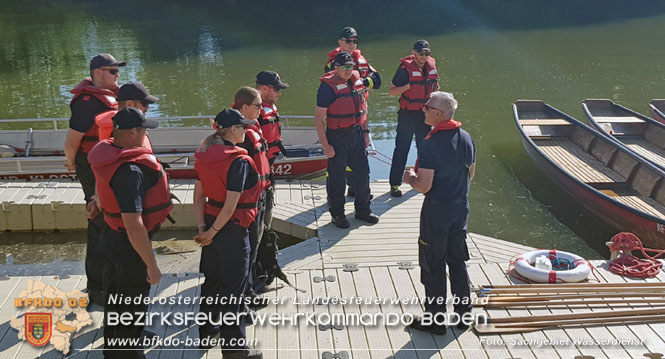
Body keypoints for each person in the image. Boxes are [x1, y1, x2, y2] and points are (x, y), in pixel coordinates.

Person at [88, 107, 172, 358]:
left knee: (116, 299)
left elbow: (104, 191)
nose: (146, 134)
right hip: (127, 245)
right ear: (134, 132)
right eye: (144, 129)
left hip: (111, 238)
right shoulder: (130, 171)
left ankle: (112, 352)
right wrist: (152, 265)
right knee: (132, 307)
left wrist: (96, 203)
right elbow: (134, 223)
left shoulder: (109, 154)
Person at [403, 92, 475, 335]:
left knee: (433, 265)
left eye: (427, 106)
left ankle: (435, 321)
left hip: (437, 212)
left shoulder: (431, 143)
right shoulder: (466, 137)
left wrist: (410, 178)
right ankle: (464, 316)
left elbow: (424, 186)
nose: (423, 109)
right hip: (460, 209)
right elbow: (471, 174)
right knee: (457, 261)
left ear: (439, 113)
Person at [193, 109, 263, 358]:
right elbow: (231, 205)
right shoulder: (239, 161)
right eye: (243, 127)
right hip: (232, 228)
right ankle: (235, 351)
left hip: (211, 222)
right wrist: (212, 231)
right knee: (234, 290)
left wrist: (203, 228)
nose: (246, 131)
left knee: (212, 281)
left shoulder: (203, 155)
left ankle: (208, 331)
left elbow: (199, 196)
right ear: (233, 130)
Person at [65, 53, 126, 306]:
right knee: (99, 222)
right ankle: (98, 288)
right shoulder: (88, 101)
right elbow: (72, 139)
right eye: (113, 71)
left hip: (106, 165)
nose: (117, 75)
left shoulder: (109, 97)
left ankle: (104, 281)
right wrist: (70, 163)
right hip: (91, 166)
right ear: (98, 73)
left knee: (107, 221)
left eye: (117, 71)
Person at [315, 52, 378, 229]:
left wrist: (365, 134)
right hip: (337, 136)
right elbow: (319, 118)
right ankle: (337, 214)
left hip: (356, 134)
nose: (348, 71)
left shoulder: (357, 82)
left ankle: (363, 210)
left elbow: (363, 110)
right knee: (337, 178)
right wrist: (326, 146)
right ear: (336, 68)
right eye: (344, 67)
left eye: (351, 67)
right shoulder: (327, 88)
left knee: (363, 173)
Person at [324, 26, 382, 197]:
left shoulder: (360, 59)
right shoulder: (333, 62)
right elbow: (335, 81)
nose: (351, 44)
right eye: (348, 41)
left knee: (359, 159)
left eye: (354, 41)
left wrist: (361, 82)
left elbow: (377, 81)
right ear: (340, 42)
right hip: (340, 118)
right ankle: (334, 198)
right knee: (337, 164)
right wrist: (363, 81)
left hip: (360, 112)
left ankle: (357, 190)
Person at [231, 87, 272, 307]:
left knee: (253, 247)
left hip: (260, 195)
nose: (261, 109)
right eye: (257, 105)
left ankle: (249, 288)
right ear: (244, 107)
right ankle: (245, 297)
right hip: (249, 201)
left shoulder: (251, 127)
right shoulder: (239, 134)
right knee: (247, 249)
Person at [388, 40, 439, 197]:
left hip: (424, 114)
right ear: (414, 53)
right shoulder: (404, 70)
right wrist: (408, 86)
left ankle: (423, 180)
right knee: (402, 148)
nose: (424, 57)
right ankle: (395, 184)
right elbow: (391, 91)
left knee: (424, 149)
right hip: (407, 115)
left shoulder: (431, 67)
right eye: (421, 53)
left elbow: (436, 88)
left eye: (426, 54)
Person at [95, 82, 159, 140]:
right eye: (144, 104)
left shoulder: (115, 125)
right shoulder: (122, 131)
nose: (148, 108)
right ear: (129, 104)